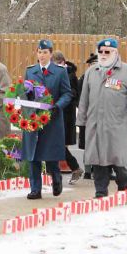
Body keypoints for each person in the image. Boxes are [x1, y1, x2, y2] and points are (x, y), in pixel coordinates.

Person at [76, 38, 127, 198]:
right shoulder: (92, 72)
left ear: (115, 52)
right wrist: (82, 122)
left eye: (108, 52)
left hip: (117, 127)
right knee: (98, 161)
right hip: (95, 126)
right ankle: (100, 192)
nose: (104, 55)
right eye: (101, 52)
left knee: (118, 162)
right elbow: (84, 99)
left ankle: (123, 183)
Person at [23, 40, 72, 200]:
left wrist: (58, 106)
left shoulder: (59, 72)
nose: (42, 55)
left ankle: (56, 178)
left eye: (45, 52)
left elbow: (67, 93)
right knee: (34, 155)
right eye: (39, 52)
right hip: (34, 118)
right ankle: (35, 189)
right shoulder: (30, 71)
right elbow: (25, 93)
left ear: (51, 54)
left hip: (52, 119)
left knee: (50, 155)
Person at [53, 50, 83, 184]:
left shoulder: (70, 75)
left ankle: (75, 167)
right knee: (55, 144)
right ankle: (70, 169)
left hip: (65, 115)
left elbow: (73, 94)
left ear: (63, 62)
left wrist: (60, 101)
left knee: (58, 144)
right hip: (54, 113)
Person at [78, 53, 98, 179]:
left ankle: (97, 170)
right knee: (88, 144)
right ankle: (87, 170)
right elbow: (80, 98)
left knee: (99, 144)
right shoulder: (84, 78)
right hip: (87, 116)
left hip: (100, 116)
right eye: (93, 64)